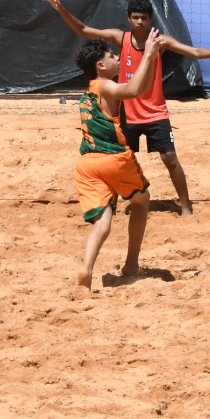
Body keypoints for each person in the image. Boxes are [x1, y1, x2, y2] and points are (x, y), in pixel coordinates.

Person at [45, 0, 210, 218]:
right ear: (129, 18)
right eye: (135, 17)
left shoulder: (159, 41)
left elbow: (195, 52)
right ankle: (112, 206)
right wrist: (60, 9)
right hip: (127, 112)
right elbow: (84, 30)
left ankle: (186, 206)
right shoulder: (121, 38)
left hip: (156, 111)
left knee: (170, 158)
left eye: (144, 17)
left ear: (150, 19)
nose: (139, 21)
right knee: (117, 158)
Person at [73, 34, 162, 294]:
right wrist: (146, 54)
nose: (116, 58)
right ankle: (131, 264)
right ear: (100, 66)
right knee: (142, 200)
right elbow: (133, 90)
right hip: (114, 160)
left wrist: (151, 59)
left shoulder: (89, 91)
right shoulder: (104, 86)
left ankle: (86, 270)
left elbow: (140, 89)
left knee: (102, 224)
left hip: (87, 164)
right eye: (111, 56)